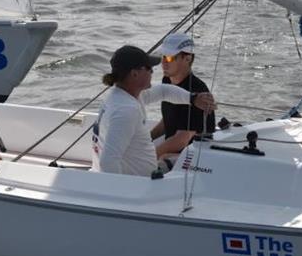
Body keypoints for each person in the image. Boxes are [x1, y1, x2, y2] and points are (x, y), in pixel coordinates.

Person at [91, 45, 215, 176]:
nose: (152, 72)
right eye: (149, 68)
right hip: (140, 187)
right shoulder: (126, 110)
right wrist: (124, 193)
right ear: (134, 74)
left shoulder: (124, 95)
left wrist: (193, 98)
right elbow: (108, 162)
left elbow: (163, 91)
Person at [151, 33, 215, 160]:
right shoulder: (167, 80)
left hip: (194, 154)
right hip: (173, 145)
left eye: (169, 58)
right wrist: (146, 139)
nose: (163, 62)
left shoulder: (198, 91)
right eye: (163, 57)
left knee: (157, 161)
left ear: (188, 58)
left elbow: (183, 138)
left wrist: (149, 156)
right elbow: (167, 120)